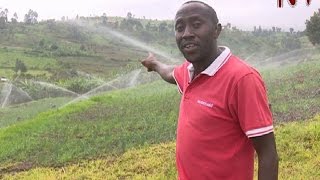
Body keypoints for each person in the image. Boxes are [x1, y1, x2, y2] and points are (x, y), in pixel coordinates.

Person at [141, 1, 278, 180]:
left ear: (216, 30)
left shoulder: (242, 79)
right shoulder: (189, 71)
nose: (187, 34)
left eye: (196, 25)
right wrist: (154, 64)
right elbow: (169, 73)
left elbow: (268, 154)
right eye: (180, 27)